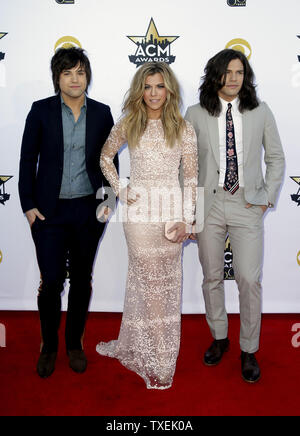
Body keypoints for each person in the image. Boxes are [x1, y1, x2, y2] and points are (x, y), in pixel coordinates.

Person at [185, 49, 285, 383]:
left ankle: (248, 348)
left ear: (246, 76)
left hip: (247, 205)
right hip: (208, 206)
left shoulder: (260, 111)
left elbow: (276, 158)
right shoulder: (195, 113)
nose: (233, 78)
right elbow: (186, 165)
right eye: (227, 72)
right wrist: (189, 208)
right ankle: (219, 338)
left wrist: (266, 199)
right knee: (212, 276)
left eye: (239, 72)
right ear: (215, 74)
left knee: (248, 279)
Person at [96, 62, 198, 389]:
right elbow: (104, 157)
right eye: (148, 86)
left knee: (168, 285)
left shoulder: (184, 128)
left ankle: (155, 349)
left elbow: (192, 178)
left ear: (169, 89)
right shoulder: (129, 123)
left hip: (171, 214)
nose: (153, 93)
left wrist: (187, 217)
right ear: (140, 89)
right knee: (149, 283)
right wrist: (121, 188)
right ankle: (160, 358)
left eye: (159, 86)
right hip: (139, 217)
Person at [18, 47, 118, 378]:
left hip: (88, 211)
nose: (75, 79)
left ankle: (74, 343)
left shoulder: (103, 114)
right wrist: (28, 206)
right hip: (49, 212)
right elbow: (27, 159)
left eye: (80, 72)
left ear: (87, 76)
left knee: (81, 281)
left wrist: (107, 204)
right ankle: (48, 346)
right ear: (57, 78)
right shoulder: (41, 111)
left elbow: (110, 163)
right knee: (51, 282)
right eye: (67, 73)